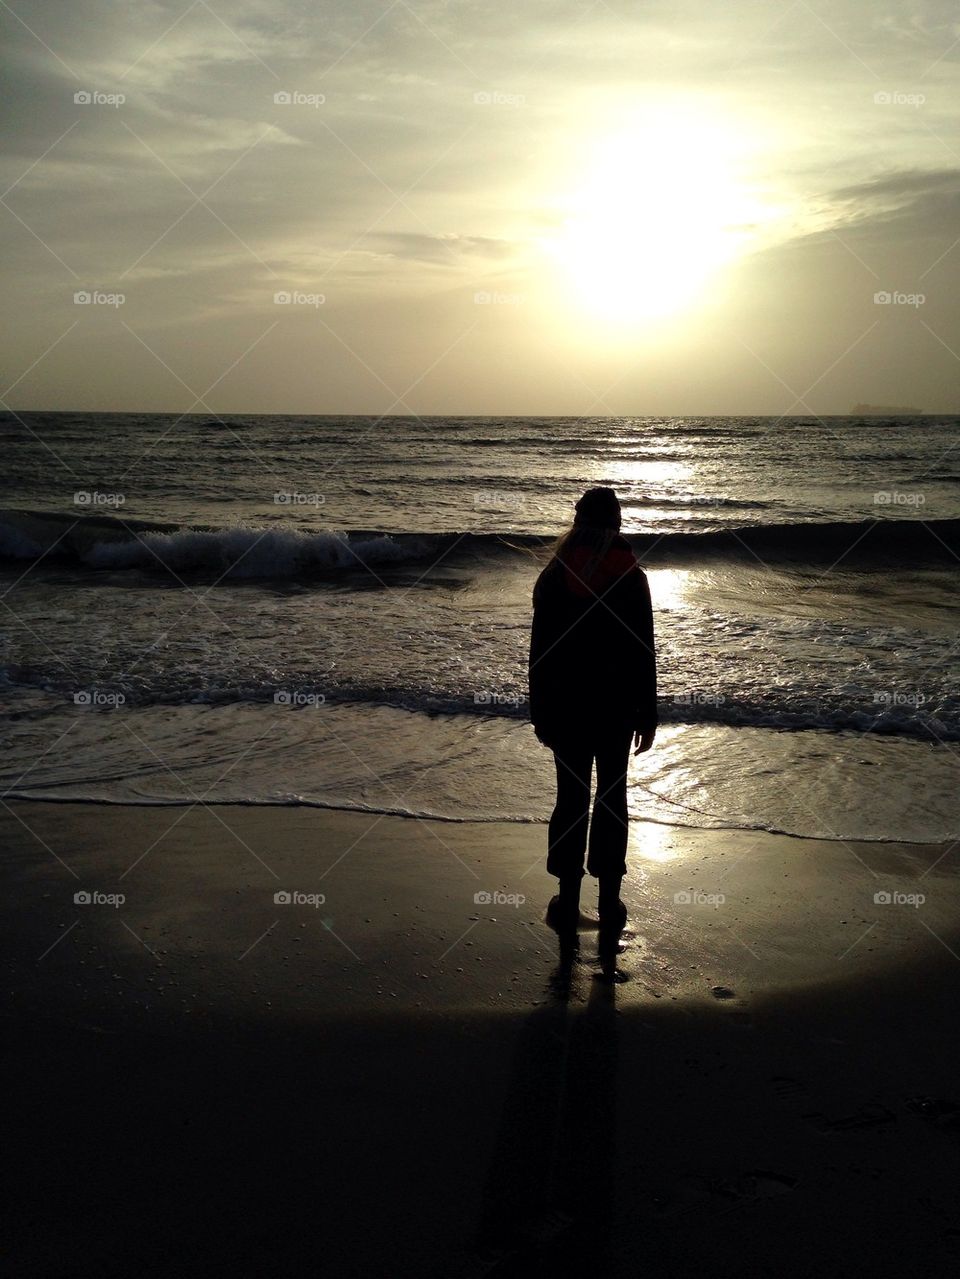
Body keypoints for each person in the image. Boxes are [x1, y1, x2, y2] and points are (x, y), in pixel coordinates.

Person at [528, 486, 657, 943]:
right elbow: (644, 650)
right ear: (617, 523)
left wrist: (538, 708)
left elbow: (540, 653)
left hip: (566, 707)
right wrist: (649, 713)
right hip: (618, 707)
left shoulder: (555, 575)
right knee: (612, 799)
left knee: (570, 799)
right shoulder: (631, 576)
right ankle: (609, 903)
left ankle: (567, 898)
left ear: (578, 521)